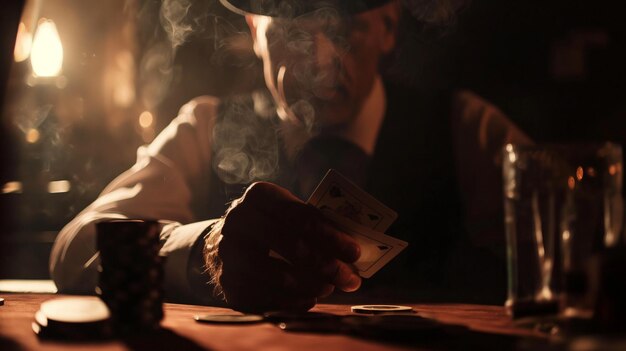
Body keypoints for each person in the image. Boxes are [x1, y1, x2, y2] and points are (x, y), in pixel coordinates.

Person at [50, 0, 531, 312]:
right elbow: (76, 247)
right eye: (289, 29)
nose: (318, 62)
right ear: (254, 28)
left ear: (388, 27)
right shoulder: (207, 125)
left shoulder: (465, 127)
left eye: (343, 29)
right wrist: (207, 248)